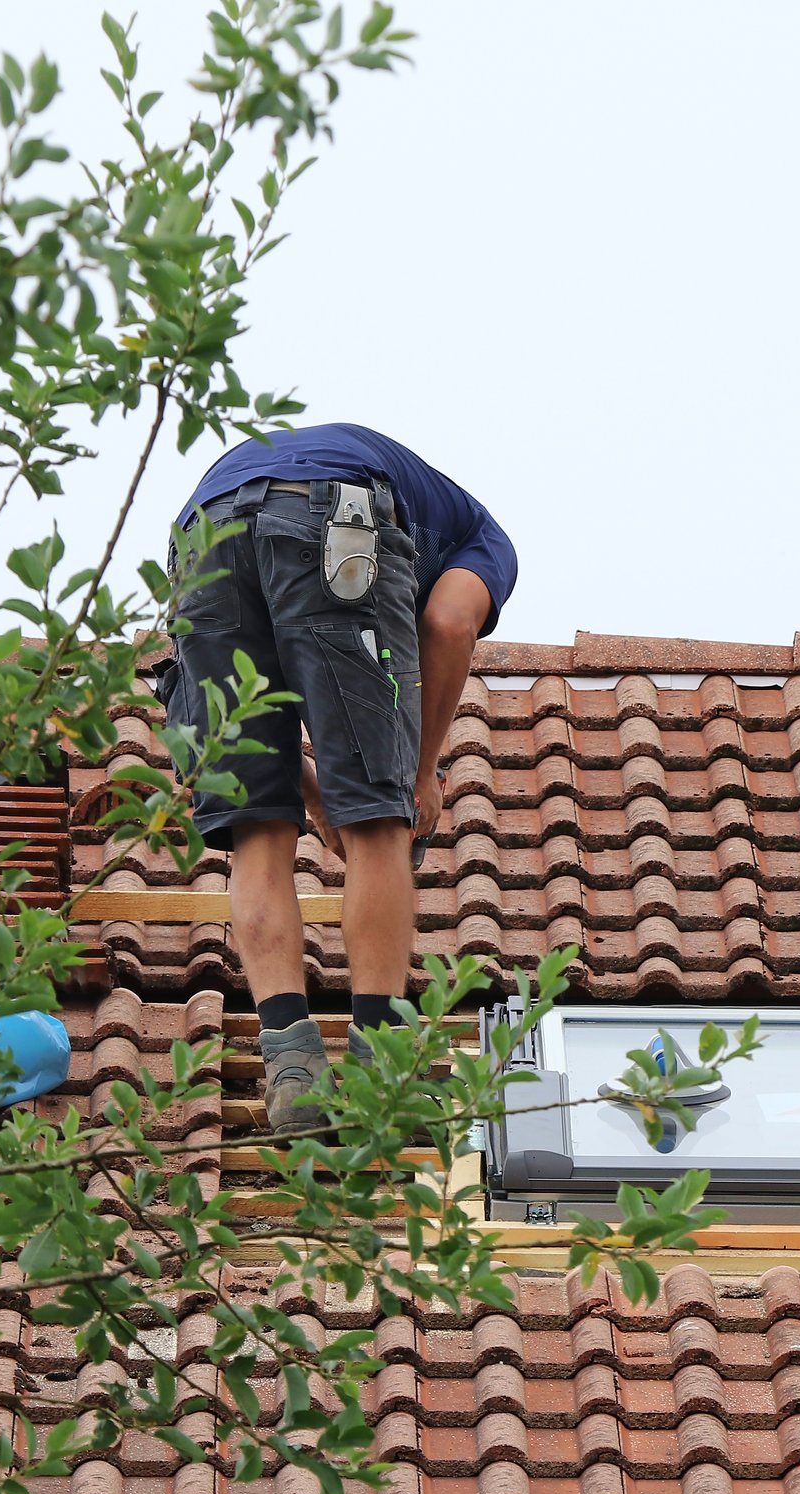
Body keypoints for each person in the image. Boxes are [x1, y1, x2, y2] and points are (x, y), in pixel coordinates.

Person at [162, 423, 517, 1138]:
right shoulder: (490, 544)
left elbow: (224, 730)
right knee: (381, 823)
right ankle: (379, 1070)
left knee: (258, 827)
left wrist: (317, 793)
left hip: (203, 532)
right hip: (334, 515)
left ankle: (292, 1069)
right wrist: (418, 776)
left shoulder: (423, 501)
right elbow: (449, 624)